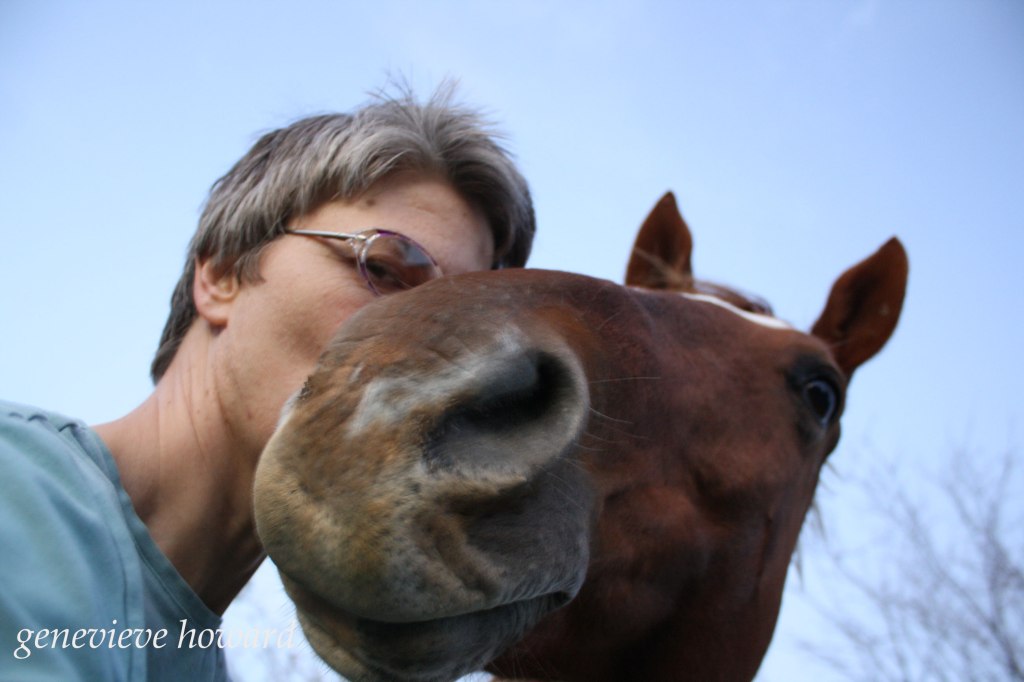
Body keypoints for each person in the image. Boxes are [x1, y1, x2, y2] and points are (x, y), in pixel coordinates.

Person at [0, 87, 535, 680]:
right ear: (223, 272)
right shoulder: (16, 488)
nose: (441, 355)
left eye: (465, 327)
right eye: (383, 269)